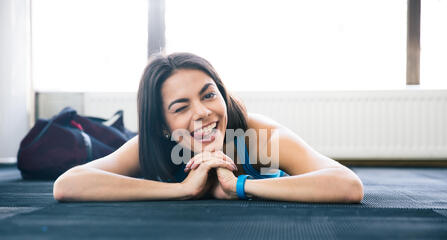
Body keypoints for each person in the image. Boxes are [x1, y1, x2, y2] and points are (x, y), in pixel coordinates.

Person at [53, 52, 364, 203]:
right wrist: (182, 189)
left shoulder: (259, 136)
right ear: (162, 126)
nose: (203, 113)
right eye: (181, 107)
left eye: (209, 95)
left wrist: (238, 186)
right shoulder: (155, 144)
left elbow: (347, 185)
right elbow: (68, 185)